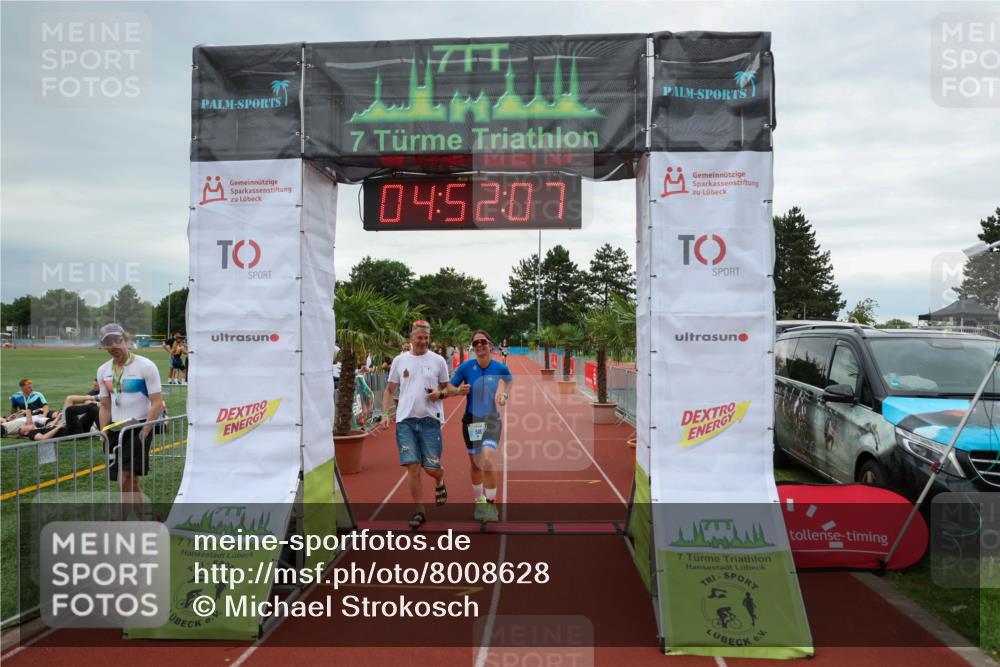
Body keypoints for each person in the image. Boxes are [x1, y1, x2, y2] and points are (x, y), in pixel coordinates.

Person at [381, 320, 450, 530]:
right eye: (419, 337)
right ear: (411, 337)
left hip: (430, 421)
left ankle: (440, 479)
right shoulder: (399, 361)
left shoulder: (438, 361)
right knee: (413, 466)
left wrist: (440, 394)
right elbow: (389, 390)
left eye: (426, 338)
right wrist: (385, 413)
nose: (423, 341)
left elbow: (448, 388)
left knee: (431, 468)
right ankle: (420, 511)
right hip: (405, 422)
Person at [441, 329, 513, 522]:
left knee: (488, 460)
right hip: (471, 421)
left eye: (482, 342)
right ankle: (479, 501)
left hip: (491, 420)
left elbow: (509, 380)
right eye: (475, 344)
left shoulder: (499, 367)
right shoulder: (466, 367)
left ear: (490, 344)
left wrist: (504, 394)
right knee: (475, 464)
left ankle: (490, 505)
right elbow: (448, 387)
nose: (479, 346)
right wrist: (457, 391)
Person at [96, 323, 165, 496]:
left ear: (126, 340)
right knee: (127, 480)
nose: (113, 346)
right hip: (114, 429)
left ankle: (124, 521)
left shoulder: (146, 366)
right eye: (108, 342)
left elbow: (157, 403)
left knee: (126, 477)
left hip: (138, 427)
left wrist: (145, 430)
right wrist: (103, 431)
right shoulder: (103, 370)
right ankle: (143, 517)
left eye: (117, 340)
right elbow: (105, 405)